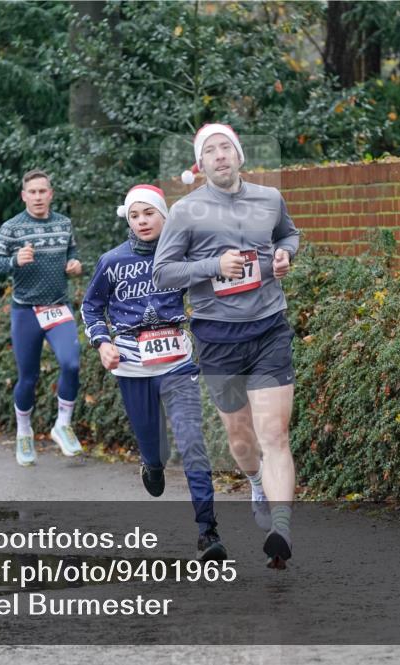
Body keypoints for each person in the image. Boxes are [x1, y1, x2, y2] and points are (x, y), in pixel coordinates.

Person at [154, 123, 300, 569]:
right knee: (241, 442)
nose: (220, 156)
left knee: (274, 433)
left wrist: (285, 255)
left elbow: (289, 236)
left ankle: (281, 528)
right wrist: (213, 265)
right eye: (211, 151)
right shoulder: (186, 212)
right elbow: (163, 274)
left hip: (269, 328)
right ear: (201, 164)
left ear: (239, 156)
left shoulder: (269, 199)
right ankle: (255, 482)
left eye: (226, 148)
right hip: (218, 337)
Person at [81, 184, 227, 561]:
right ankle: (152, 462)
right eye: (135, 215)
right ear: (128, 220)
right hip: (132, 365)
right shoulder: (112, 261)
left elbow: (217, 283)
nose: (142, 221)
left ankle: (207, 531)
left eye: (149, 213)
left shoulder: (181, 256)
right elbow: (91, 308)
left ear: (165, 216)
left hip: (178, 362)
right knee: (153, 446)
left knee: (192, 442)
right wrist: (102, 344)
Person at [0, 170, 83, 466]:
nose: (38, 197)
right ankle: (24, 432)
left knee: (72, 362)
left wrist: (76, 265)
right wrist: (14, 260)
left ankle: (62, 425)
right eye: (33, 192)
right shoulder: (12, 227)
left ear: (51, 194)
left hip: (57, 306)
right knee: (28, 377)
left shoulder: (64, 224)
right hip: (26, 310)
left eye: (43, 191)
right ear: (24, 196)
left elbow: (73, 255)